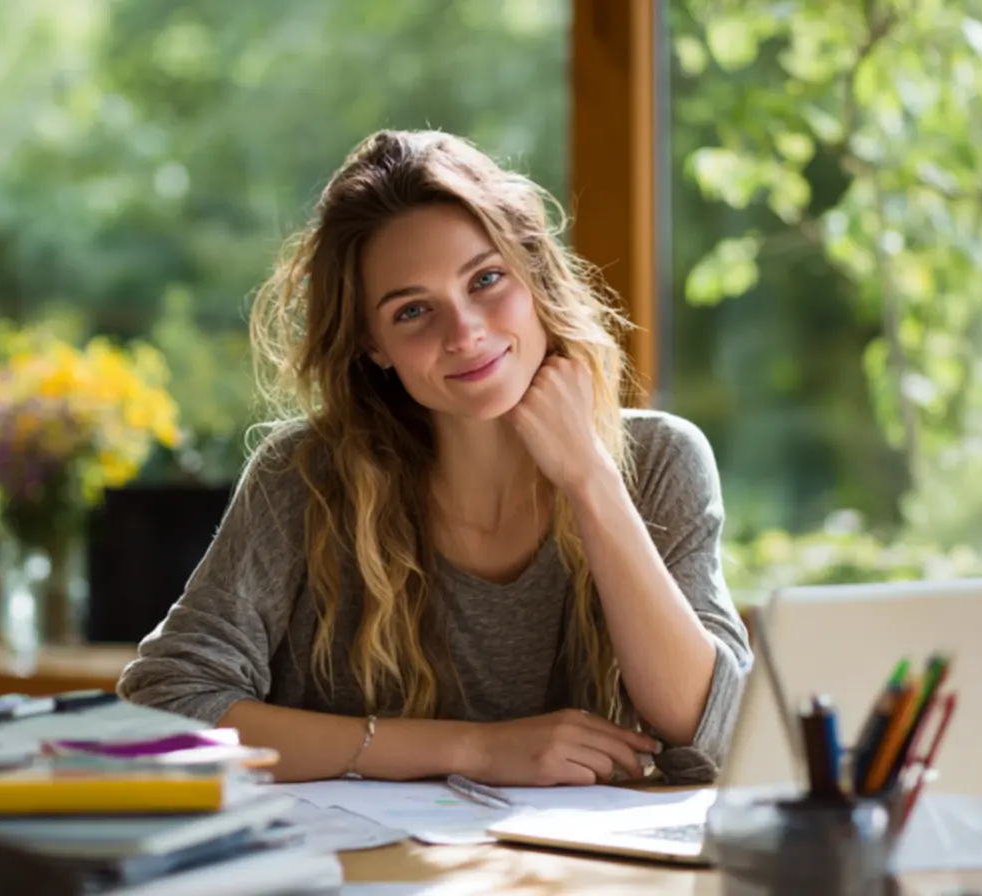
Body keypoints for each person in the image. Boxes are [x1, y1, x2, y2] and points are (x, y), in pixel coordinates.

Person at [117, 129, 752, 787]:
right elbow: (165, 706)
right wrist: (472, 751)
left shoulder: (659, 460)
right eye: (413, 310)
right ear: (374, 344)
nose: (465, 332)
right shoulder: (303, 478)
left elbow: (720, 735)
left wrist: (590, 478)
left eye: (486, 279)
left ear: (534, 273)